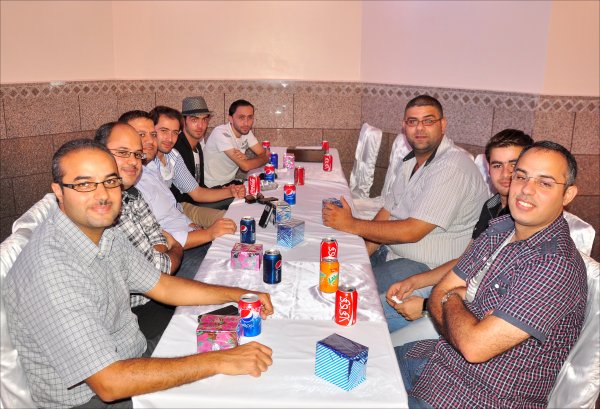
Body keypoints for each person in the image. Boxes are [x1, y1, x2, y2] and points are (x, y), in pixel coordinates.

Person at [3, 139, 274, 409]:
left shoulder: (104, 232)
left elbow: (163, 286)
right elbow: (109, 384)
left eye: (110, 181)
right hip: (94, 399)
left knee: (257, 364)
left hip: (133, 354)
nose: (102, 195)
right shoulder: (51, 269)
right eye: (85, 184)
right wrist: (220, 360)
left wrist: (240, 295)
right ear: (58, 192)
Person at [397, 141, 587, 408]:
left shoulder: (554, 265)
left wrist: (453, 298)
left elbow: (473, 348)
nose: (526, 189)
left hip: (474, 397)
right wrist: (460, 315)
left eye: (544, 183)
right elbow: (440, 292)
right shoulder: (501, 228)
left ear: (567, 195)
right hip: (433, 361)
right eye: (521, 176)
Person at [323, 94, 488, 293]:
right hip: (392, 252)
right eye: (413, 122)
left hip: (426, 269)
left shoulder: (452, 167)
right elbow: (387, 212)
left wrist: (351, 224)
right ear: (404, 126)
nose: (419, 128)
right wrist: (362, 255)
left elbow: (413, 231)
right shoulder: (411, 161)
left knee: (350, 293)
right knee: (331, 270)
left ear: (442, 125)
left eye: (428, 121)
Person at [382, 129, 533, 338]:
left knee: (376, 315)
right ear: (488, 169)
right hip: (457, 293)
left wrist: (426, 306)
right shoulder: (492, 206)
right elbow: (466, 261)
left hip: (476, 317)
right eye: (497, 165)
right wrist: (415, 281)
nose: (506, 174)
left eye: (513, 165)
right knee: (377, 303)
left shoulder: (525, 221)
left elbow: (498, 294)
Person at [94, 122, 182, 343]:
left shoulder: (130, 192)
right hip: (133, 319)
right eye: (123, 153)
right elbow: (158, 270)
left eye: (137, 154)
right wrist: (177, 249)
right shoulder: (104, 209)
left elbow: (156, 235)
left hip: (155, 299)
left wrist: (161, 254)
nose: (134, 161)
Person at [117, 111, 236, 253]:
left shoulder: (154, 165)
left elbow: (174, 206)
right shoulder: (125, 182)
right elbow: (156, 241)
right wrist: (207, 233)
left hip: (182, 218)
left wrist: (192, 225)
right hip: (177, 242)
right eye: (141, 134)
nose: (150, 141)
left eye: (152, 135)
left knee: (234, 225)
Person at [147, 106, 245, 228]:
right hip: (171, 215)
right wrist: (193, 227)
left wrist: (230, 190)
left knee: (235, 220)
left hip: (178, 209)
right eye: (164, 131)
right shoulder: (144, 162)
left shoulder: (174, 155)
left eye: (175, 132)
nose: (170, 138)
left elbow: (196, 191)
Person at [172, 96, 234, 210]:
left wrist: (221, 189)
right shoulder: (177, 148)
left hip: (196, 201)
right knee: (234, 202)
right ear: (183, 121)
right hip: (183, 207)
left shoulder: (198, 147)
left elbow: (199, 186)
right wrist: (229, 192)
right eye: (194, 120)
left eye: (204, 120)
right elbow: (194, 194)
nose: (200, 126)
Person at [203, 99, 269, 188]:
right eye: (241, 117)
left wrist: (248, 160)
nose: (246, 123)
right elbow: (245, 166)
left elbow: (263, 153)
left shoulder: (246, 132)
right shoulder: (221, 132)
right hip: (211, 186)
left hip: (229, 183)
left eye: (250, 117)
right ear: (231, 119)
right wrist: (264, 158)